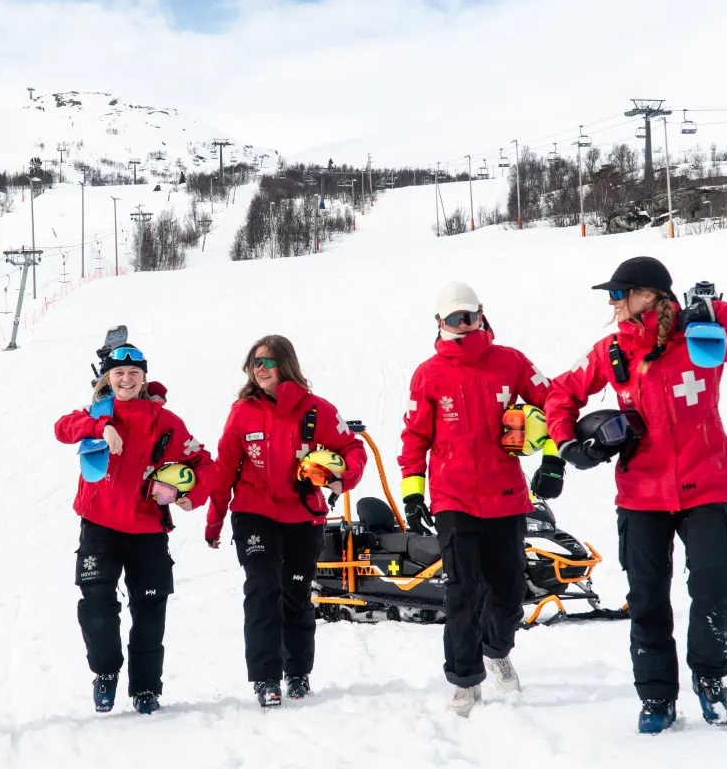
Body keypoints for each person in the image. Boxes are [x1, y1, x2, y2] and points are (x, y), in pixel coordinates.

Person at [543, 256, 727, 733]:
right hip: (641, 495)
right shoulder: (612, 349)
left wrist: (714, 310)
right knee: (648, 597)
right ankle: (656, 697)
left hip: (706, 483)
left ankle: (710, 678)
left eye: (619, 293)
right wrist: (566, 441)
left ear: (650, 295)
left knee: (716, 587)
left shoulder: (703, 339)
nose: (612, 303)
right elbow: (560, 393)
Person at [398, 281, 558, 716]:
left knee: (508, 589)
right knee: (463, 592)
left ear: (482, 313)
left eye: (470, 315)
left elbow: (556, 402)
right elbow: (414, 438)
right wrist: (413, 495)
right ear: (440, 322)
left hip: (506, 496)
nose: (464, 325)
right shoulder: (428, 374)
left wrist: (552, 457)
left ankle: (496, 649)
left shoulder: (511, 362)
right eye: (455, 318)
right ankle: (465, 682)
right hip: (454, 498)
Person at [54, 344, 216, 715]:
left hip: (146, 530)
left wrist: (190, 492)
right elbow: (62, 428)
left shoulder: (166, 422)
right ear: (107, 378)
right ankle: (106, 673)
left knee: (149, 609)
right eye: (118, 373)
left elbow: (204, 463)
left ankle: (146, 689)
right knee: (96, 605)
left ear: (143, 378)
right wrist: (102, 426)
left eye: (133, 373)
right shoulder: (96, 413)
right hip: (99, 526)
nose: (126, 379)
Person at [205, 335, 366, 707]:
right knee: (262, 588)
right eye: (254, 363)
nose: (260, 369)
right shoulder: (242, 412)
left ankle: (297, 672)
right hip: (254, 513)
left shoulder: (317, 410)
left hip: (302, 516)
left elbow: (352, 449)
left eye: (268, 362)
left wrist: (344, 478)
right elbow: (225, 469)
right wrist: (214, 522)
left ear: (285, 365)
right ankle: (265, 678)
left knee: (295, 593)